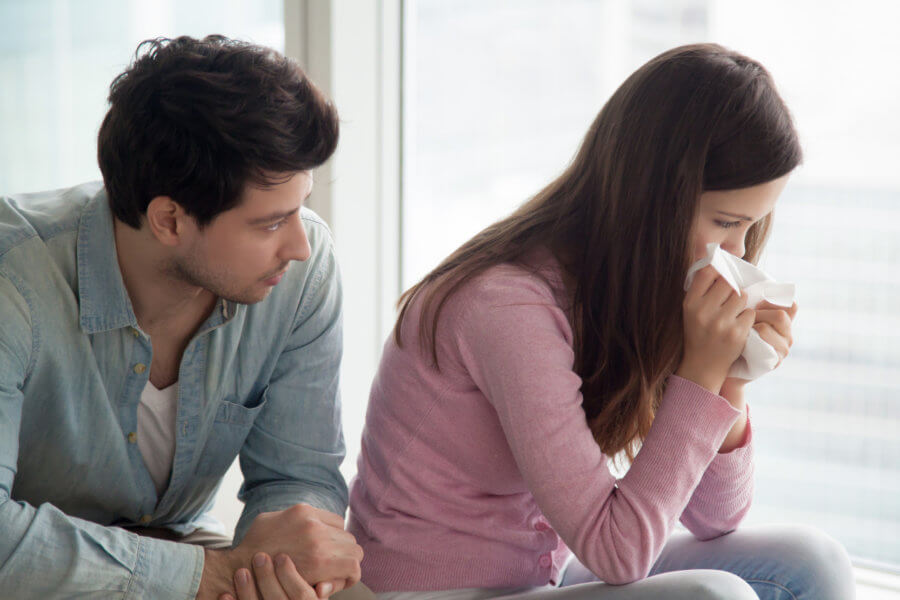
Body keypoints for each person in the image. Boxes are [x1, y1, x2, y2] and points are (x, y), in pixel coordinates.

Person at [347, 44, 856, 600]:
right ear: (655, 199)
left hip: (540, 573)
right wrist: (699, 374)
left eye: (750, 227)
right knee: (715, 597)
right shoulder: (507, 307)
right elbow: (618, 553)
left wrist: (729, 375)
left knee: (814, 562)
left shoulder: (630, 284)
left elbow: (717, 518)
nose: (736, 254)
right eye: (725, 223)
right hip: (437, 590)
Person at [0, 35, 363, 599]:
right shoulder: (14, 282)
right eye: (271, 223)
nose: (299, 246)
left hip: (189, 551)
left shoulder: (302, 273)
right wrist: (206, 576)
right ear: (169, 220)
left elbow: (298, 477)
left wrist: (282, 566)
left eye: (301, 208)